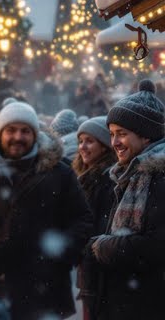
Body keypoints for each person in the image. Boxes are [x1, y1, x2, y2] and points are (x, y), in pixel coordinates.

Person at [0, 100, 92, 320]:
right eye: (11, 130)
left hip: (44, 290)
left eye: (25, 131)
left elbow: (82, 220)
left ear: (34, 135)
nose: (18, 137)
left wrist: (56, 252)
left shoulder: (59, 173)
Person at [89, 81, 165, 317]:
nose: (114, 142)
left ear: (146, 137)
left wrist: (104, 246)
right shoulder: (126, 176)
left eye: (122, 134)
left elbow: (156, 245)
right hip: (129, 299)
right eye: (112, 134)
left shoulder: (159, 179)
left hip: (147, 302)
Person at [73, 116, 115, 320]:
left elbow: (98, 227)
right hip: (90, 271)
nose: (83, 146)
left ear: (105, 146)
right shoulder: (87, 178)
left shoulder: (105, 180)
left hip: (99, 272)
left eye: (89, 141)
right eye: (80, 141)